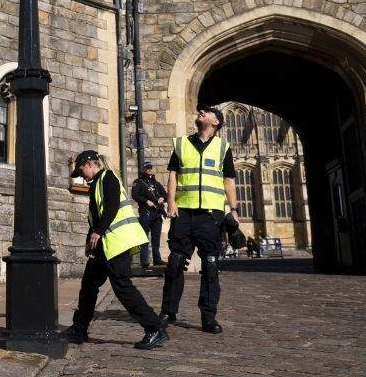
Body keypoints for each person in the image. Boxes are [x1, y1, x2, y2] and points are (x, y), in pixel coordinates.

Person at [66, 151, 169, 350]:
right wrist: (91, 242)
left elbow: (112, 208)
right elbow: (96, 216)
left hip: (117, 242)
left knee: (122, 286)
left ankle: (154, 328)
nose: (81, 176)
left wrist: (98, 232)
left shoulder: (108, 178)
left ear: (89, 164)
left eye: (81, 170)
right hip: (105, 244)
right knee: (89, 285)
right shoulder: (96, 184)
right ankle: (79, 329)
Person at [159, 103, 239, 334]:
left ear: (216, 122)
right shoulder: (181, 143)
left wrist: (234, 209)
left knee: (211, 265)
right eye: (200, 111)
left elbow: (229, 181)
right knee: (175, 262)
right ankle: (168, 312)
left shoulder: (223, 147)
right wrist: (171, 202)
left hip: (211, 215)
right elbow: (173, 176)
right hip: (184, 212)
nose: (201, 112)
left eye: (207, 111)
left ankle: (208, 317)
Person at [131, 160, 169, 268]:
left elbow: (165, 194)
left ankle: (157, 259)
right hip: (146, 213)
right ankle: (144, 260)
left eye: (150, 168)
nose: (149, 169)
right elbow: (135, 195)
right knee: (144, 238)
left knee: (156, 238)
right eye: (147, 168)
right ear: (143, 169)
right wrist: (146, 201)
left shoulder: (156, 183)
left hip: (157, 214)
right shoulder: (138, 182)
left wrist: (162, 198)